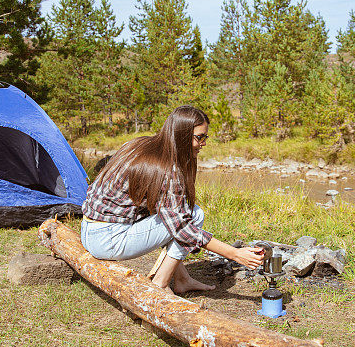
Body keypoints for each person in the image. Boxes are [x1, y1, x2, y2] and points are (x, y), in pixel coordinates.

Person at [81, 105, 264, 293]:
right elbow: (182, 228)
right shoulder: (168, 169)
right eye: (199, 137)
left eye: (205, 137)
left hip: (89, 230)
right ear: (182, 135)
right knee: (194, 215)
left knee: (180, 212)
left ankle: (183, 279)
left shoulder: (142, 144)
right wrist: (235, 254)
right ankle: (160, 284)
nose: (204, 143)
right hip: (108, 240)